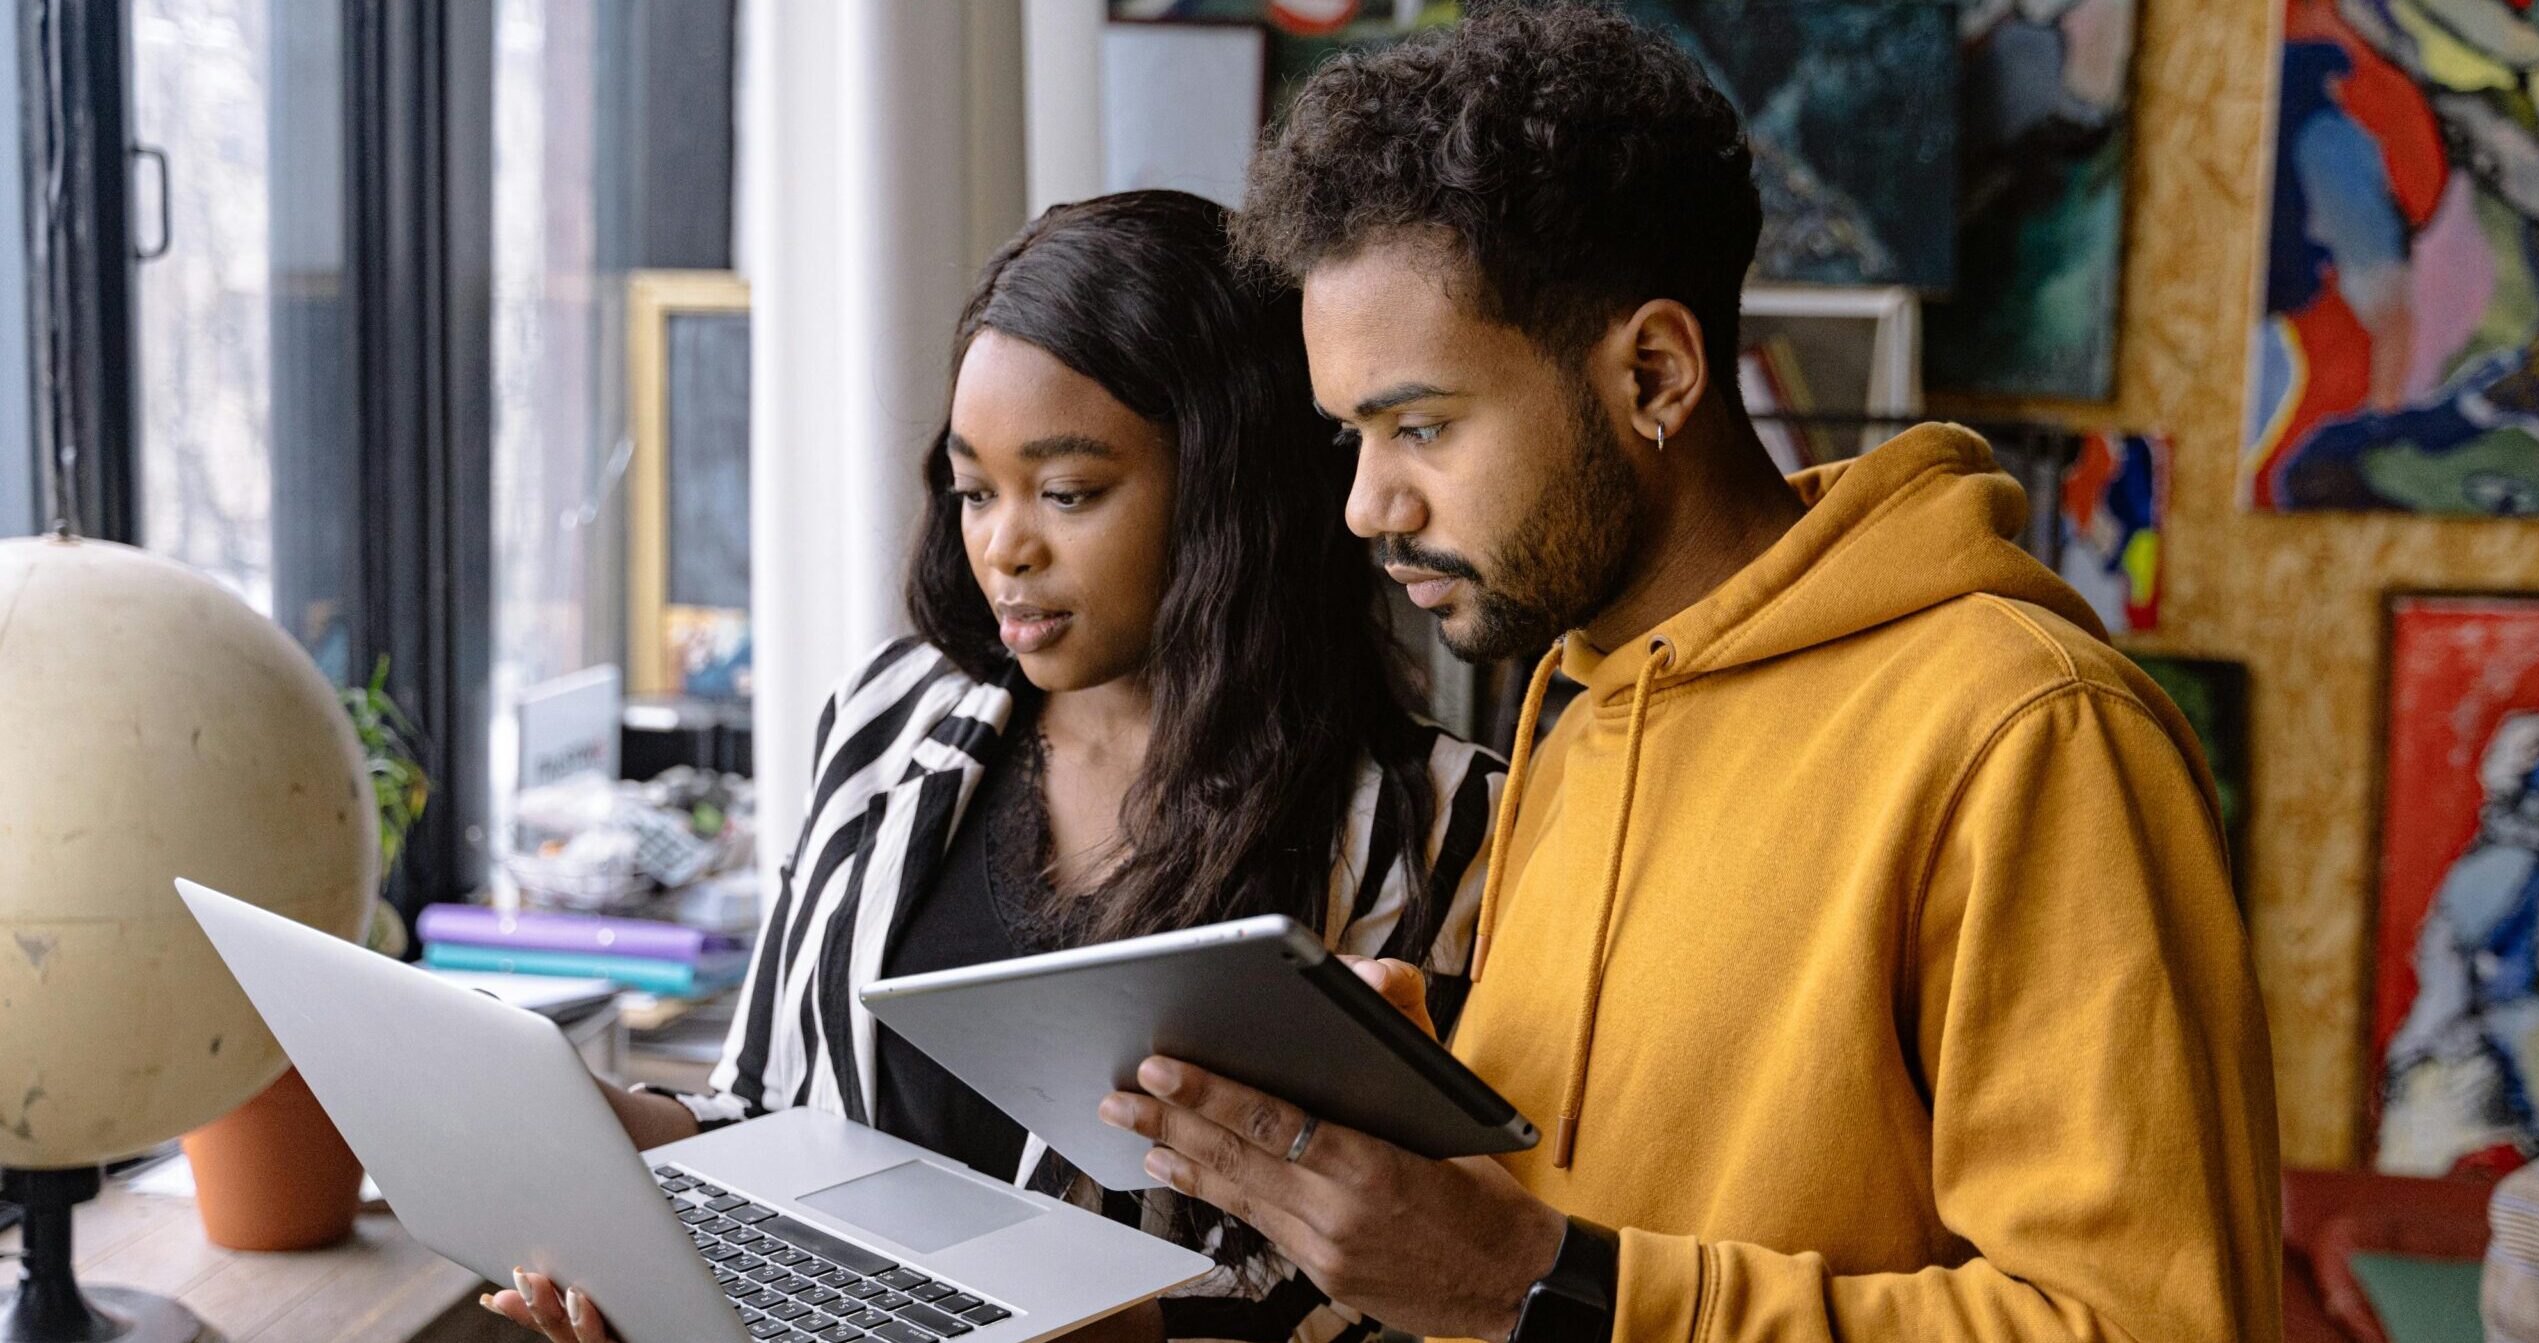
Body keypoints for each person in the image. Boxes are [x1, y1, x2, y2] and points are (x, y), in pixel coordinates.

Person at [1100, 7, 2284, 1341]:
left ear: (1654, 373)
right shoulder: (1585, 696)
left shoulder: (2031, 733)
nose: (1368, 504)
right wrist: (1435, 1071)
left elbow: (2144, 1322)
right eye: (1349, 438)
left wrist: (1541, 1284)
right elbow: (1659, 1158)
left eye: (1421, 425)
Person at [484, 189, 1504, 1343]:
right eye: (975, 490)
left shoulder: (1436, 823)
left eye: (1066, 493)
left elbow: (1400, 1288)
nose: (1003, 546)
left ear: (1235, 489)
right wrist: (592, 1135)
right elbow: (768, 1117)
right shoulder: (895, 717)